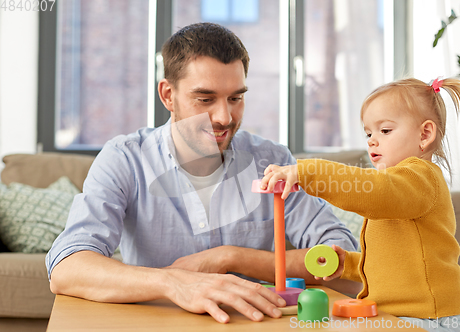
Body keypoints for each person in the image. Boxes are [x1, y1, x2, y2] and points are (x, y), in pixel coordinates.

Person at [46, 22, 358, 324]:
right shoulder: (125, 159)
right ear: (168, 95)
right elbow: (67, 267)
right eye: (205, 99)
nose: (225, 117)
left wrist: (230, 257)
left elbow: (342, 256)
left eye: (235, 98)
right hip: (157, 323)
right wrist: (173, 282)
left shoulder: (272, 160)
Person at [261, 77, 460, 331]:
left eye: (385, 131)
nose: (372, 140)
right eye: (368, 133)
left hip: (430, 319)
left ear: (425, 134)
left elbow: (373, 191)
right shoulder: (399, 187)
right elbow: (391, 261)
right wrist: (348, 264)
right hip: (401, 316)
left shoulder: (420, 178)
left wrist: (309, 172)